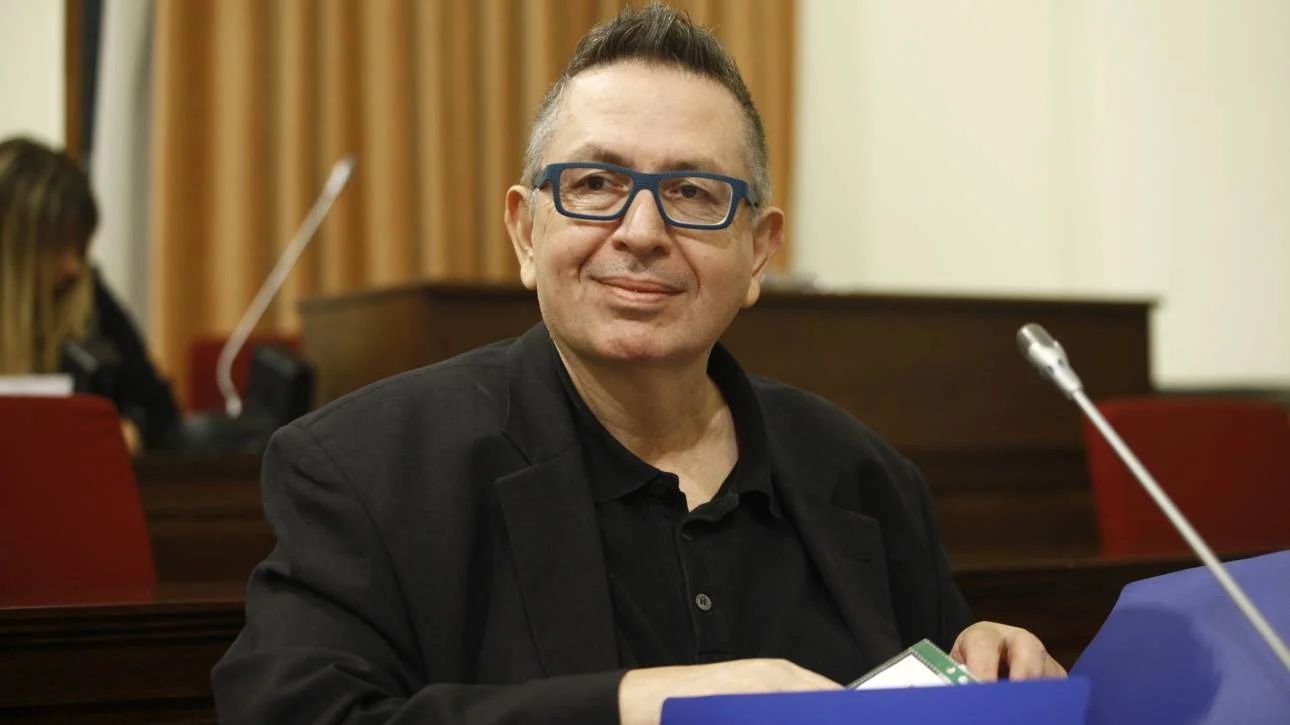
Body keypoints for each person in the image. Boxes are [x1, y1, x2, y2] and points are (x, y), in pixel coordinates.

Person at [213, 4, 1065, 723]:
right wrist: (635, 704)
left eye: (693, 193)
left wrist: (984, 666)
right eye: (595, 184)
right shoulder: (365, 470)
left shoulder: (866, 478)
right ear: (525, 231)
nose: (643, 231)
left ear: (759, 251)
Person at [0, 137, 180, 453]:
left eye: (79, 247)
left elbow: (159, 412)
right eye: (57, 247)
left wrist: (131, 431)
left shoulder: (88, 297)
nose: (72, 266)